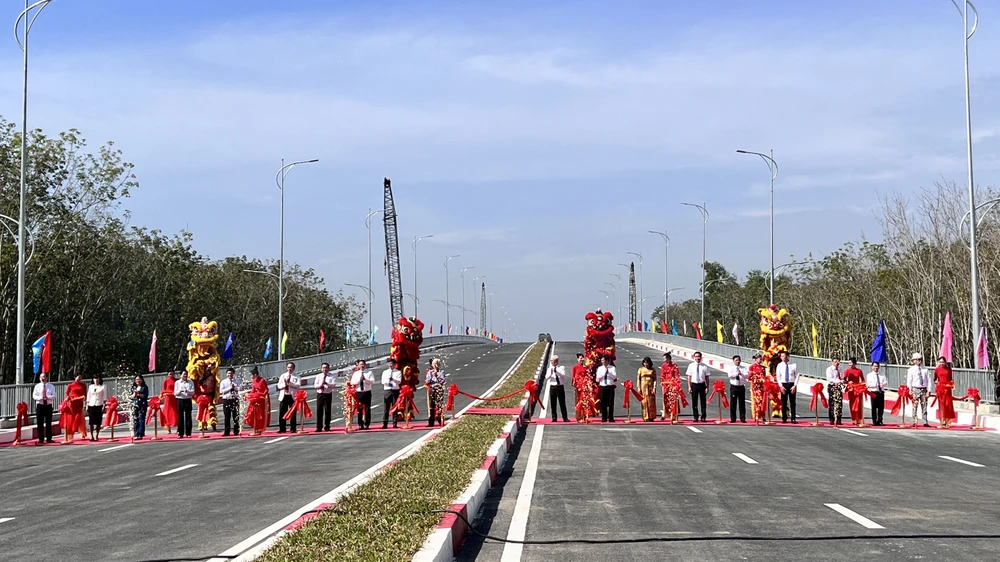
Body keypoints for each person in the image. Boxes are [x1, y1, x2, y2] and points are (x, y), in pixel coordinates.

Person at [907, 352, 931, 427]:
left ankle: (925, 421)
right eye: (916, 359)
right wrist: (909, 390)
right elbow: (909, 381)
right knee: (914, 405)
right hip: (915, 389)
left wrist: (929, 390)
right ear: (913, 361)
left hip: (923, 389)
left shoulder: (925, 369)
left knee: (924, 405)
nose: (918, 361)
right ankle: (914, 421)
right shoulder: (911, 370)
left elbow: (929, 380)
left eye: (919, 359)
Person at [686, 352, 710, 422]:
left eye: (699, 356)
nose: (697, 358)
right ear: (694, 357)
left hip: (702, 385)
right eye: (696, 356)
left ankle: (703, 416)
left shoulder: (704, 366)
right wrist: (689, 386)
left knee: (703, 402)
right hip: (694, 385)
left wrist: (707, 387)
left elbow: (707, 377)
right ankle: (695, 416)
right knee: (694, 402)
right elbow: (689, 376)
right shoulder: (691, 365)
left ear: (701, 357)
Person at [277, 362, 301, 433]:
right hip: (284, 395)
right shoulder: (283, 376)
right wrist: (285, 385)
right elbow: (279, 386)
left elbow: (298, 385)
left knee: (293, 412)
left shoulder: (297, 376)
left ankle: (293, 428)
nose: (289, 369)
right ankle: (282, 428)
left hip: (292, 396)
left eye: (291, 367)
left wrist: (290, 384)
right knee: (282, 412)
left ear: (294, 368)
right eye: (288, 367)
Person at [546, 355, 570, 422]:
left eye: (552, 360)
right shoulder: (549, 369)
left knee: (562, 402)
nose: (551, 362)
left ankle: (565, 417)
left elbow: (562, 375)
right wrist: (551, 373)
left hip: (560, 387)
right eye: (551, 360)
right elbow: (546, 377)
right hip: (553, 386)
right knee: (553, 403)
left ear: (556, 361)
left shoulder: (561, 368)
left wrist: (556, 371)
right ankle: (554, 417)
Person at [776, 351, 799, 423]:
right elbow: (778, 376)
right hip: (784, 384)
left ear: (788, 356)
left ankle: (793, 418)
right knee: (783, 402)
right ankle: (784, 418)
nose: (783, 358)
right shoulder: (779, 365)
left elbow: (797, 375)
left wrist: (795, 385)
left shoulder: (793, 365)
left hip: (791, 384)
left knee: (793, 402)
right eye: (781, 356)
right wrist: (781, 386)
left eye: (784, 356)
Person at [33, 373, 56, 445]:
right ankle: (41, 439)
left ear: (47, 378)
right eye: (41, 377)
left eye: (44, 377)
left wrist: (47, 397)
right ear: (39, 378)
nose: (43, 379)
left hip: (48, 405)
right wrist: (41, 398)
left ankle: (49, 438)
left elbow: (54, 395)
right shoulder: (37, 386)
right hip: (40, 405)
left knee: (48, 422)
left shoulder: (51, 386)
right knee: (40, 423)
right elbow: (34, 396)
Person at [352, 360, 375, 429]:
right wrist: (359, 380)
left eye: (363, 364)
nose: (362, 366)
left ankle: (367, 424)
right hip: (359, 392)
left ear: (365, 365)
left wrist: (365, 379)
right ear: (358, 365)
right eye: (360, 364)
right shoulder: (356, 373)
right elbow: (352, 382)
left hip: (367, 392)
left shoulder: (369, 372)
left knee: (367, 408)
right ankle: (360, 424)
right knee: (359, 409)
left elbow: (373, 382)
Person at [64, 375, 87, 443]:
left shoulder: (83, 385)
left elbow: (85, 394)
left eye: (80, 377)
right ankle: (71, 434)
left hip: (79, 403)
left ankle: (83, 432)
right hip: (72, 403)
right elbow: (67, 393)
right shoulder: (70, 385)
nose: (79, 378)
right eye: (78, 377)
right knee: (72, 419)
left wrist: (84, 398)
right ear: (75, 377)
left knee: (80, 418)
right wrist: (68, 398)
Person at [934, 356, 956, 428]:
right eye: (940, 362)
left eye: (943, 362)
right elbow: (935, 379)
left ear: (945, 362)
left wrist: (951, 385)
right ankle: (941, 421)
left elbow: (950, 379)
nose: (941, 363)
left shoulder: (949, 369)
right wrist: (937, 383)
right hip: (940, 389)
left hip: (947, 389)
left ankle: (947, 421)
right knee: (941, 405)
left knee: (948, 405)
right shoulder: (937, 369)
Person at [572, 353, 595, 422]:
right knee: (579, 401)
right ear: (577, 359)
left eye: (582, 358)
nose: (582, 359)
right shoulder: (575, 367)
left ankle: (585, 416)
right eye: (580, 358)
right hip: (578, 387)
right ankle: (579, 417)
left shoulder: (586, 367)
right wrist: (576, 384)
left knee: (585, 401)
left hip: (585, 387)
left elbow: (589, 376)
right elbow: (573, 377)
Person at [315, 362, 338, 432]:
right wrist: (320, 385)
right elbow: (315, 385)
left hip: (327, 394)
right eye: (323, 368)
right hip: (320, 394)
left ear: (328, 368)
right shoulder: (319, 376)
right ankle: (319, 427)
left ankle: (327, 426)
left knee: (327, 410)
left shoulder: (332, 376)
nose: (325, 369)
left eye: (326, 368)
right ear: (321, 369)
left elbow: (333, 385)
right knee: (319, 410)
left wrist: (327, 384)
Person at [249, 366, 270, 435]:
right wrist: (249, 395)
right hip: (256, 399)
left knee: (260, 414)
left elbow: (266, 390)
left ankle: (260, 428)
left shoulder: (262, 380)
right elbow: (253, 390)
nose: (251, 376)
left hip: (261, 399)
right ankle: (255, 428)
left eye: (251, 375)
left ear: (255, 374)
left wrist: (262, 395)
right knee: (254, 414)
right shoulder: (254, 381)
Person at [219, 368, 241, 437]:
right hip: (227, 400)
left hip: (234, 399)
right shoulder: (223, 382)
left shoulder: (237, 381)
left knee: (236, 416)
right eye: (228, 373)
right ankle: (227, 431)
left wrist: (234, 387)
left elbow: (240, 389)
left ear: (233, 374)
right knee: (227, 416)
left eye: (231, 373)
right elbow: (221, 391)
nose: (230, 375)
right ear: (226, 374)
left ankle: (236, 431)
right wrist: (230, 388)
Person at [747, 353, 768, 423]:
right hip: (755, 387)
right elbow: (749, 377)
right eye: (759, 359)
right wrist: (755, 378)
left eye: (761, 359)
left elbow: (764, 377)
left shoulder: (763, 368)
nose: (760, 360)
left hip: (762, 386)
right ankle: (756, 416)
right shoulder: (752, 367)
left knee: (762, 401)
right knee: (756, 401)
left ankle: (763, 416)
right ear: (756, 359)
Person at [381, 359, 402, 429]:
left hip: (395, 390)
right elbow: (383, 381)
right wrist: (389, 380)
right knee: (386, 408)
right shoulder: (385, 372)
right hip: (387, 390)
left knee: (395, 407)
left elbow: (399, 381)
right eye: (389, 363)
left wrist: (393, 379)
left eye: (392, 363)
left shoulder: (398, 372)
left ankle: (394, 423)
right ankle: (385, 423)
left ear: (395, 364)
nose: (390, 365)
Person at [595, 355, 617, 422]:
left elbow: (614, 377)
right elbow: (598, 378)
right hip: (603, 386)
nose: (602, 362)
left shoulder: (612, 368)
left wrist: (608, 373)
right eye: (602, 360)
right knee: (603, 402)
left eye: (603, 360)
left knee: (611, 402)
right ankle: (604, 417)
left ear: (607, 361)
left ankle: (611, 417)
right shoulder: (600, 368)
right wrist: (604, 373)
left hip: (610, 386)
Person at [727, 355, 748, 423]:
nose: (738, 361)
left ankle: (742, 418)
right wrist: (737, 373)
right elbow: (730, 375)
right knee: (733, 403)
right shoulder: (731, 368)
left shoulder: (743, 368)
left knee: (742, 403)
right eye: (736, 360)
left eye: (739, 360)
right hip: (734, 387)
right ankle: (733, 418)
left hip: (741, 386)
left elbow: (747, 376)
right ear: (733, 361)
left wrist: (741, 374)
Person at [660, 352, 681, 422]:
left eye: (664, 359)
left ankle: (674, 414)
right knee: (666, 398)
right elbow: (662, 375)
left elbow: (677, 375)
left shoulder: (674, 365)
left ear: (668, 358)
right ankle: (665, 414)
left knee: (673, 399)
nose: (664, 360)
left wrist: (676, 383)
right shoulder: (663, 366)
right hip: (666, 384)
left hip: (673, 384)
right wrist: (662, 383)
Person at [86, 375, 107, 442]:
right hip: (91, 404)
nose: (96, 380)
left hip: (99, 404)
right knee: (91, 421)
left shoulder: (103, 386)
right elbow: (88, 395)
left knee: (98, 421)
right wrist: (87, 404)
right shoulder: (90, 386)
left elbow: (104, 397)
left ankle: (97, 435)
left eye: (97, 378)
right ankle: (91, 435)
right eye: (95, 378)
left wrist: (104, 405)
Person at [636, 357, 657, 422]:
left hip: (650, 387)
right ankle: (645, 416)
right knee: (644, 402)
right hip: (643, 387)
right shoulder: (640, 369)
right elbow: (638, 379)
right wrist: (639, 387)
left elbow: (655, 379)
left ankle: (651, 416)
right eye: (645, 363)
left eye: (647, 363)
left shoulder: (653, 370)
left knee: (651, 402)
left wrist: (654, 388)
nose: (646, 364)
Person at [175, 370, 195, 438]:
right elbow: (175, 393)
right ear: (180, 375)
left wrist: (187, 391)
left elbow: (193, 392)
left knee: (188, 416)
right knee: (180, 417)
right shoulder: (177, 382)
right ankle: (180, 433)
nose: (185, 375)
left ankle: (188, 433)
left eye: (186, 374)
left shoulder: (190, 382)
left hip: (188, 400)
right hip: (180, 400)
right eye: (184, 374)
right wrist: (180, 391)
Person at [825, 356, 844, 425]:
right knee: (832, 403)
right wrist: (838, 381)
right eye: (835, 362)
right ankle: (831, 419)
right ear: (832, 362)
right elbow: (830, 378)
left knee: (839, 403)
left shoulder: (840, 369)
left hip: (838, 387)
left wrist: (843, 381)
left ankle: (838, 419)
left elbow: (841, 377)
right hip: (832, 386)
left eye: (838, 362)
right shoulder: (829, 369)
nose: (837, 363)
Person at [131, 375, 149, 440]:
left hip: (142, 404)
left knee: (141, 419)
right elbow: (131, 396)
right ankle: (136, 433)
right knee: (135, 419)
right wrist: (134, 394)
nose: (138, 381)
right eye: (136, 379)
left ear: (142, 380)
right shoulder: (133, 387)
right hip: (135, 404)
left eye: (139, 379)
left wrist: (138, 394)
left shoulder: (144, 387)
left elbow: (145, 395)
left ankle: (140, 434)